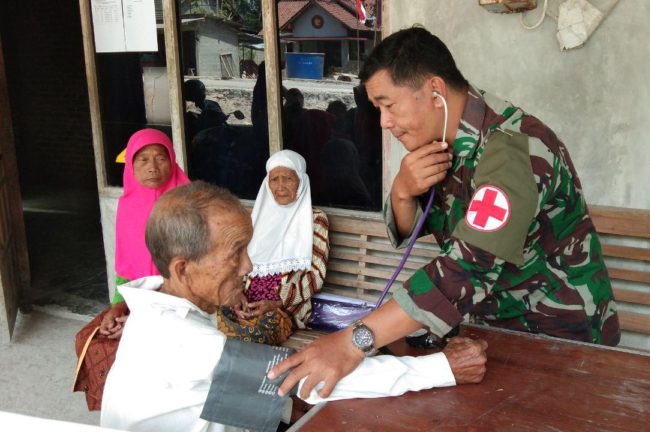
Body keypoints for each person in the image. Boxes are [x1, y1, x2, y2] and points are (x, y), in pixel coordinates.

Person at [270, 26, 620, 400]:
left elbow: (467, 266)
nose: (384, 122)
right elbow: (416, 227)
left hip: (561, 341)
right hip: (491, 329)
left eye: (389, 105)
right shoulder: (444, 141)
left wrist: (354, 342)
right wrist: (403, 191)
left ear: (435, 90)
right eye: (378, 109)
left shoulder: (512, 153)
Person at [100, 181, 488, 432]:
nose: (249, 267)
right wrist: (443, 368)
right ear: (184, 269)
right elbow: (314, 379)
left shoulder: (157, 310)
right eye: (236, 254)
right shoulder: (184, 342)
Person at [217, 150, 329, 345]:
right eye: (274, 179)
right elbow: (238, 265)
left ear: (301, 181)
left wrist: (278, 302)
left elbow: (316, 277)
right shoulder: (258, 217)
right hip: (246, 302)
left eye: (288, 178)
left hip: (284, 310)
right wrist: (237, 296)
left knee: (252, 337)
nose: (280, 186)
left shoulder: (315, 219)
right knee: (212, 321)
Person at [99, 128, 190, 339]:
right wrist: (117, 306)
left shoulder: (191, 205)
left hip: (182, 306)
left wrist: (143, 317)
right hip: (138, 300)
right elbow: (126, 268)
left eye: (160, 158)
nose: (152, 168)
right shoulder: (128, 207)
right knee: (92, 343)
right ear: (131, 165)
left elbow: (198, 273)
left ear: (172, 160)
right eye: (143, 160)